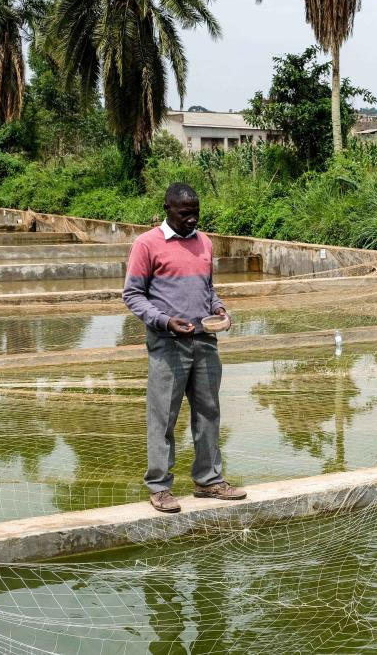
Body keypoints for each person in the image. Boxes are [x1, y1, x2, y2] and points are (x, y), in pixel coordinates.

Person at [123, 182, 246, 513]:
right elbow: (132, 294)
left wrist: (218, 308)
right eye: (184, 213)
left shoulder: (204, 242)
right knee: (163, 416)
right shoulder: (147, 244)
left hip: (205, 340)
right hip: (168, 344)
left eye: (196, 213)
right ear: (168, 209)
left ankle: (209, 480)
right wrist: (164, 321)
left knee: (208, 412)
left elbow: (207, 289)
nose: (192, 220)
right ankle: (160, 486)